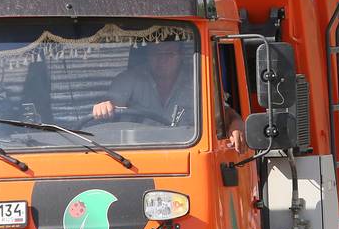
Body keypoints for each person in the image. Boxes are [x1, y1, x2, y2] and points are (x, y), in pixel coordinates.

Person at [92, 41, 245, 152]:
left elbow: (224, 113)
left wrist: (236, 125)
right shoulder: (128, 80)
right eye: (156, 54)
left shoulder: (198, 80)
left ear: (180, 57)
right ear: (147, 56)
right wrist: (104, 107)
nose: (163, 59)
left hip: (187, 152)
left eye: (170, 54)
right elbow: (111, 104)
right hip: (136, 155)